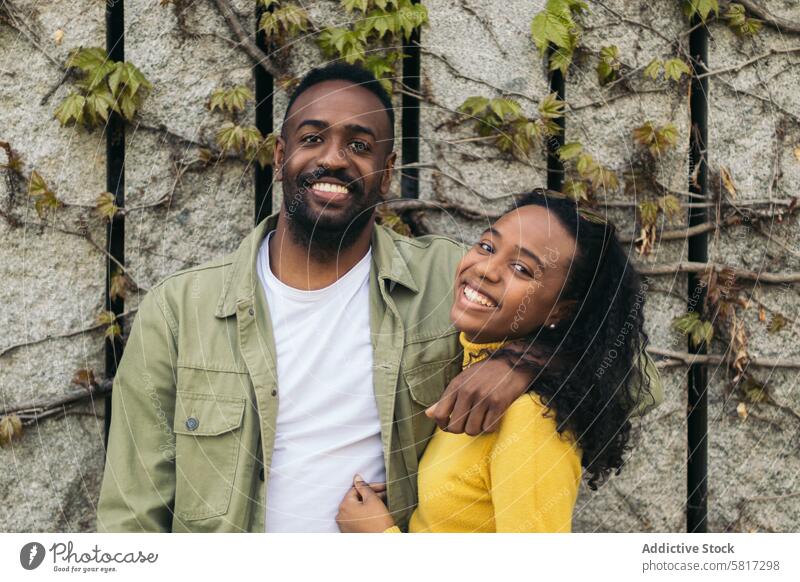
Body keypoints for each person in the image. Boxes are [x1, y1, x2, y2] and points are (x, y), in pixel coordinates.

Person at [96, 63, 662, 533]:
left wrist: (527, 362)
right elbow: (132, 512)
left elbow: (633, 376)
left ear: (387, 172)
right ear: (279, 154)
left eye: (360, 145)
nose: (335, 158)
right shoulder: (180, 310)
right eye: (313, 137)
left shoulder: (449, 279)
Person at [336, 189, 655, 533]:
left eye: (521, 268)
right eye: (487, 247)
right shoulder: (472, 361)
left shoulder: (531, 417)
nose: (487, 269)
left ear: (561, 310)